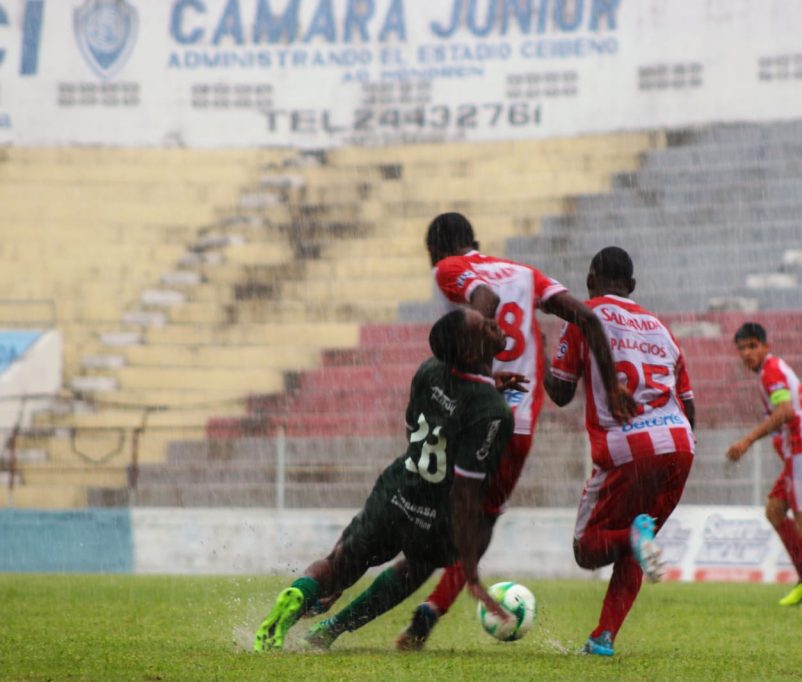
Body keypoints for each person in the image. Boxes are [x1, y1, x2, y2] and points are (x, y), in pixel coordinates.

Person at [396, 212, 636, 650]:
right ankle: (433, 607)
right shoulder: (527, 275)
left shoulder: (450, 269)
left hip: (470, 411)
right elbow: (590, 319)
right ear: (477, 238)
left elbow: (483, 303)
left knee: (429, 512)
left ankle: (363, 588)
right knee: (482, 518)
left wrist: (484, 374)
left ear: (435, 250)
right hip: (518, 425)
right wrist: (614, 382)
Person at [253, 308, 517, 652]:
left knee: (341, 564)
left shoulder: (430, 370)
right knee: (417, 566)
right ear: (469, 353)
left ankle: (300, 594)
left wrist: (480, 389)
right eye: (484, 327)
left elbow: (417, 425)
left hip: (398, 487)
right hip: (436, 511)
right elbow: (466, 490)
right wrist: (469, 558)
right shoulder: (494, 412)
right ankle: (331, 630)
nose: (494, 323)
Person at [544, 246, 696, 657]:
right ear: (632, 286)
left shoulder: (584, 315)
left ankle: (632, 539)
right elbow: (690, 404)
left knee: (589, 547)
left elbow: (559, 392)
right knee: (638, 536)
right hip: (679, 447)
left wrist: (539, 355)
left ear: (590, 280)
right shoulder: (661, 329)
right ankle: (602, 637)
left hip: (626, 448)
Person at [725, 322, 802, 609]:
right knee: (775, 509)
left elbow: (785, 412)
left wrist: (747, 440)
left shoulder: (771, 371)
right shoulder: (768, 371)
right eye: (742, 349)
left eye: (752, 346)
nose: (747, 353)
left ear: (765, 346)